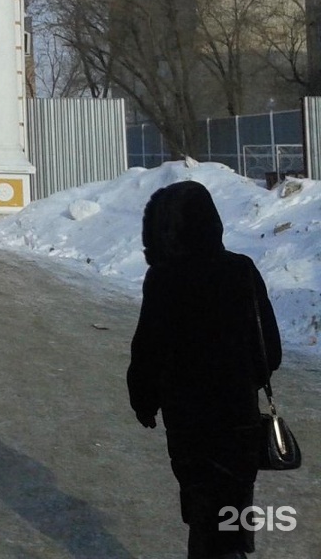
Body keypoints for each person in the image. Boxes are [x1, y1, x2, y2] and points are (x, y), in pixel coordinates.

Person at [127, 180, 283, 558]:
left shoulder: (164, 277)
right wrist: (244, 381)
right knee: (233, 506)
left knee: (202, 509)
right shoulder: (242, 270)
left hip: (188, 421)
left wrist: (144, 401)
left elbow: (148, 349)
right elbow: (270, 349)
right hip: (238, 417)